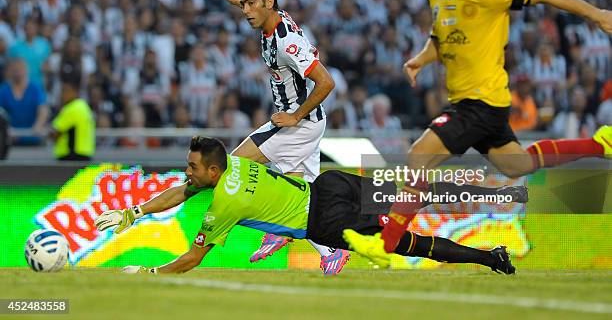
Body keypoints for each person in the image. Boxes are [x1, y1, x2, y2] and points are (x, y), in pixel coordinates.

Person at [345, 0, 612, 267]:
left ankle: (385, 246)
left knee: (418, 156)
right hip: (476, 105)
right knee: (518, 163)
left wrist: (597, 15)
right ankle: (600, 144)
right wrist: (421, 59)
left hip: (481, 102)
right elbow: (440, 40)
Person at [94, 136, 517, 276]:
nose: (187, 173)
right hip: (329, 185)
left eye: (191, 166)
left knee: (409, 243)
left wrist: (151, 272)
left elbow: (191, 259)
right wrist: (133, 213)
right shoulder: (238, 163)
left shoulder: (224, 202)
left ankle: (489, 258)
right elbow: (182, 191)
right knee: (405, 192)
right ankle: (499, 191)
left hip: (327, 220)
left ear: (211, 169)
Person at [211, 0, 346, 274]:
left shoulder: (287, 42)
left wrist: (295, 116)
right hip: (305, 123)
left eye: (250, 4)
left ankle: (278, 228)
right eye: (244, 4)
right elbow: (256, 7)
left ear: (268, 2)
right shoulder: (272, 18)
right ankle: (329, 249)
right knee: (304, 196)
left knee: (232, 167)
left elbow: (326, 82)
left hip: (299, 124)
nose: (246, 11)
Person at [0, 58, 48, 145]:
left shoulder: (35, 88)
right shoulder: (3, 90)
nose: (17, 72)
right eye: (15, 69)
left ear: (26, 70)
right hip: (10, 140)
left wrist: (38, 125)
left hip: (33, 139)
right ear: (10, 71)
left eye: (20, 69)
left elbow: (43, 109)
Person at [49, 74, 95, 161]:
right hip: (85, 154)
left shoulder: (71, 108)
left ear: (73, 91)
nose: (61, 95)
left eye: (64, 91)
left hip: (71, 156)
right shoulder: (84, 106)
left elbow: (55, 133)